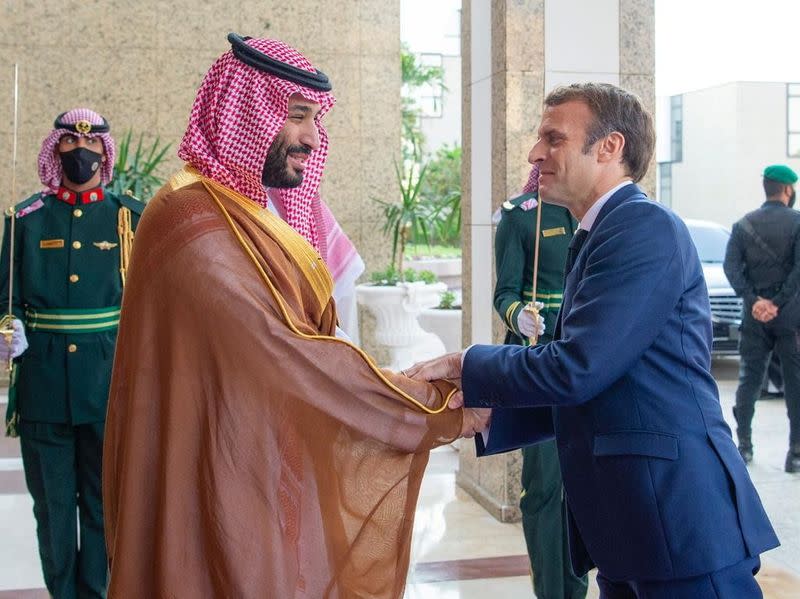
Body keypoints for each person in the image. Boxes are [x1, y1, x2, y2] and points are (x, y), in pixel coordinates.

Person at [102, 34, 488, 599]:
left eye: (316, 118)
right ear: (246, 111)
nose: (313, 136)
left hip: (260, 462)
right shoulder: (193, 221)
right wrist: (432, 407)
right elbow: (287, 353)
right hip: (211, 473)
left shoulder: (242, 209)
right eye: (297, 116)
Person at [406, 82, 779, 598]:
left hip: (679, 526)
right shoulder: (601, 232)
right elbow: (608, 383)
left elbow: (580, 367)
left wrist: (468, 364)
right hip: (633, 530)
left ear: (610, 147)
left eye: (553, 139)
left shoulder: (643, 228)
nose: (536, 154)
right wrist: (493, 413)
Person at [0, 108, 144, 599]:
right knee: (54, 510)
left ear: (105, 153)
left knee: (105, 507)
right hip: (42, 385)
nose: (79, 154)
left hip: (108, 385)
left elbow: (151, 302)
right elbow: (7, 297)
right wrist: (10, 327)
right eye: (68, 145)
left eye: (90, 147)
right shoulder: (25, 219)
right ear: (54, 149)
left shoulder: (129, 218)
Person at [493, 164, 586, 599]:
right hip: (541, 361)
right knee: (545, 486)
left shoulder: (591, 215)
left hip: (587, 361)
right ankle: (551, 592)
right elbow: (505, 292)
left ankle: (576, 586)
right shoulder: (520, 215)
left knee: (583, 486)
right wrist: (520, 316)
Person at [723, 164, 800, 472]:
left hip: (754, 317)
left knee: (748, 380)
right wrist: (777, 303)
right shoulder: (797, 224)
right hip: (791, 318)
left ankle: (744, 446)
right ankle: (795, 453)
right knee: (795, 384)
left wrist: (755, 302)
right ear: (787, 190)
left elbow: (732, 269)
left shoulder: (743, 225)